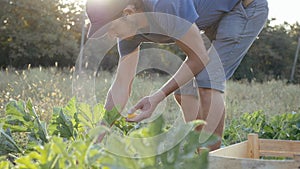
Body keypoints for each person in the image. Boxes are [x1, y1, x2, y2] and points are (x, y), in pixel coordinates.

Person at [86, 0, 268, 150]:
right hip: (211, 18)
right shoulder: (129, 35)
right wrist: (99, 136)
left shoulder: (165, 6)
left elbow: (199, 58)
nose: (110, 36)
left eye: (110, 28)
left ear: (128, 13)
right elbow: (121, 85)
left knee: (207, 78)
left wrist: (157, 96)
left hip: (243, 7)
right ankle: (198, 152)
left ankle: (212, 161)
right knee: (184, 91)